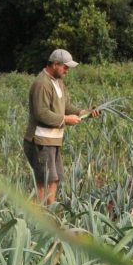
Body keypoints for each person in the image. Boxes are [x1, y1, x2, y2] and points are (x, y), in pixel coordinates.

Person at [23, 49, 99, 205]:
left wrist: (87, 113)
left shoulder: (58, 82)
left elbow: (67, 107)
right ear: (55, 64)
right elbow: (41, 113)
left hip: (53, 141)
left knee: (54, 179)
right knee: (43, 180)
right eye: (65, 67)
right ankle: (42, 216)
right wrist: (65, 119)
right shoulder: (42, 84)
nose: (67, 70)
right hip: (40, 141)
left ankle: (51, 213)